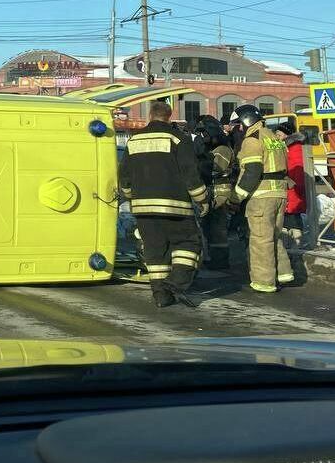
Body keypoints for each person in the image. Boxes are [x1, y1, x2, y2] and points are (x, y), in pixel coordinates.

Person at [119, 100, 209, 308]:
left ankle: (161, 296)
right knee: (188, 244)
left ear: (150, 115)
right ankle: (176, 283)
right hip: (175, 207)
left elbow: (124, 175)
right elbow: (190, 173)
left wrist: (131, 195)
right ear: (169, 116)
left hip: (143, 209)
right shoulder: (179, 138)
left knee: (155, 251)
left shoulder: (134, 140)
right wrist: (202, 199)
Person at [228, 104, 293, 293]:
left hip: (261, 196)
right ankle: (283, 273)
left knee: (260, 241)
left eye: (240, 124)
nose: (239, 128)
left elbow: (252, 172)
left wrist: (236, 198)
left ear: (247, 121)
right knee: (274, 236)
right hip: (279, 194)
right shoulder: (274, 137)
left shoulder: (252, 140)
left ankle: (264, 282)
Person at [195, 115, 235, 270]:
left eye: (204, 134)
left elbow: (216, 169)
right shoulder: (211, 149)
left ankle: (220, 260)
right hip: (212, 191)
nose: (202, 137)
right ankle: (213, 257)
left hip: (221, 193)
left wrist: (201, 159)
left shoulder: (222, 149)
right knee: (209, 227)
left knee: (218, 229)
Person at [274, 122, 308, 251]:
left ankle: (295, 249)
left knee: (293, 220)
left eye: (279, 134)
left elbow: (297, 170)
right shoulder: (288, 147)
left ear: (287, 135)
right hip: (289, 190)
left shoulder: (295, 148)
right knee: (287, 220)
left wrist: (293, 185)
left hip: (293, 191)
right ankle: (289, 248)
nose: (276, 137)